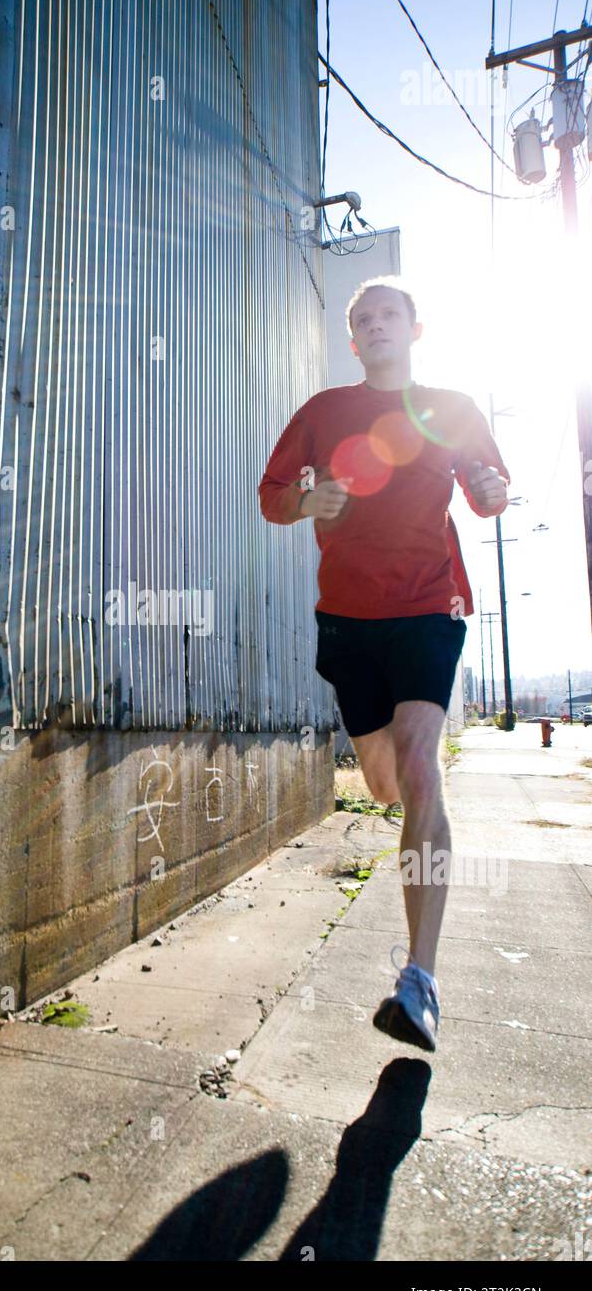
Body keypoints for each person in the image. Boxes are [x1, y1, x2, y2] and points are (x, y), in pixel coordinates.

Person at [258, 277, 510, 1052]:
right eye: (362, 320)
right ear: (354, 338)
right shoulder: (323, 413)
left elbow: (488, 494)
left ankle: (419, 981)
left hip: (429, 609)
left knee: (421, 767)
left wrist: (496, 494)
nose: (374, 327)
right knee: (385, 784)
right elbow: (271, 497)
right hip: (348, 622)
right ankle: (409, 833)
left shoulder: (454, 408)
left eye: (387, 315)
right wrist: (310, 504)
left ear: (415, 327)